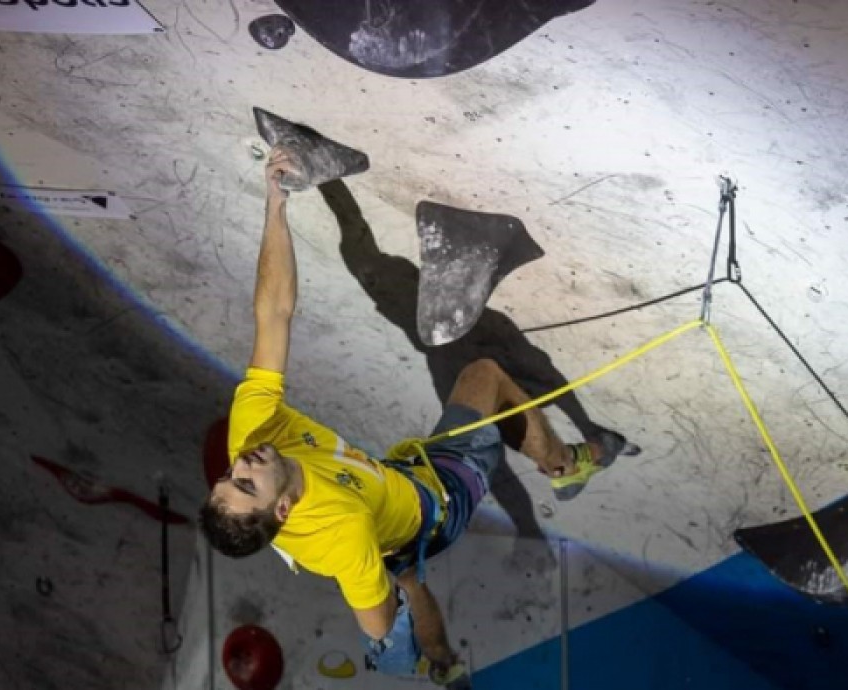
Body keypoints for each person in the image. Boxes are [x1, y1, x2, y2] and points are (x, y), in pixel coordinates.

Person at [199, 146, 628, 687]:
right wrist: (389, 650)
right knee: (485, 376)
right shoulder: (341, 533)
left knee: (406, 579)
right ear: (283, 507)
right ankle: (568, 466)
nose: (241, 462)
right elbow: (378, 624)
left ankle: (445, 668)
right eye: (246, 482)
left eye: (226, 476)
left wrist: (275, 204)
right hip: (435, 502)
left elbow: (273, 311)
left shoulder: (254, 433)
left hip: (388, 518)